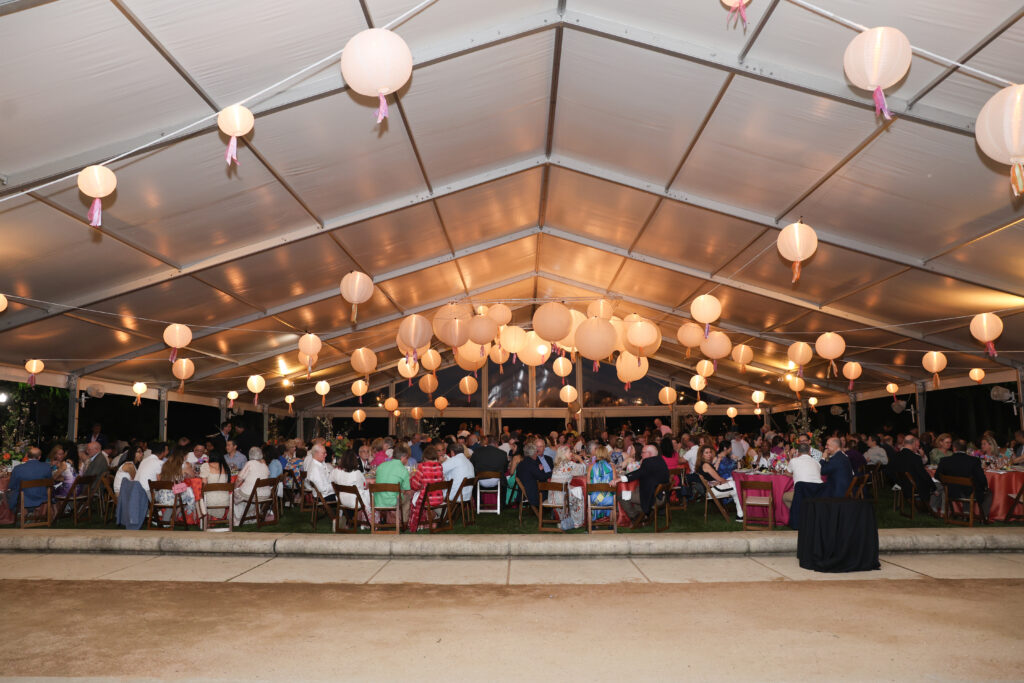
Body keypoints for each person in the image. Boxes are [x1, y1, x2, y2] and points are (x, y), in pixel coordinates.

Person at [935, 439, 992, 523]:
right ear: (965, 449)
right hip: (970, 492)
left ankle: (965, 513)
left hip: (951, 491)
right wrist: (985, 488)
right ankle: (983, 517)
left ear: (954, 448)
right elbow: (981, 479)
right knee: (988, 492)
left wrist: (947, 484)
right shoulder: (974, 461)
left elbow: (937, 476)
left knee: (968, 488)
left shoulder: (944, 460)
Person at [887, 435, 940, 515]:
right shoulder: (915, 458)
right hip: (914, 486)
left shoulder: (895, 456)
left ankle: (924, 507)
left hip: (902, 484)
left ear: (904, 443)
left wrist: (897, 482)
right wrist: (934, 488)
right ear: (914, 443)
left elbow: (889, 472)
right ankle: (932, 509)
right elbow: (923, 475)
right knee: (937, 486)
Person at [621, 444, 672, 525]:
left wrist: (621, 478)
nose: (641, 454)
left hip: (655, 498)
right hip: (663, 497)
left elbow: (638, 473)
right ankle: (643, 516)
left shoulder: (648, 462)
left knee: (622, 495)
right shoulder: (660, 461)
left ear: (649, 454)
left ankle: (635, 517)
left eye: (643, 452)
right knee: (636, 489)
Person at [154, 447, 197, 522]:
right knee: (190, 491)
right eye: (187, 454)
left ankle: (173, 517)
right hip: (173, 496)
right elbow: (193, 475)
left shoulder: (166, 464)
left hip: (161, 495)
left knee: (184, 489)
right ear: (183, 455)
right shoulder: (185, 465)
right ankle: (173, 517)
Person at [408, 445, 445, 532]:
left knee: (413, 496)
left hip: (426, 499)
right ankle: (431, 520)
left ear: (424, 456)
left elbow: (415, 486)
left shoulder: (422, 466)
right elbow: (441, 480)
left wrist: (412, 478)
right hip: (438, 497)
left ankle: (424, 523)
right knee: (421, 494)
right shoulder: (439, 466)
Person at [232, 447, 273, 524]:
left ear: (250, 455)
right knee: (244, 494)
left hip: (253, 495)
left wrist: (235, 487)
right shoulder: (264, 464)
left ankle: (238, 519)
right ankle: (250, 518)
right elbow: (268, 474)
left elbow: (239, 478)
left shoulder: (250, 463)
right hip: (266, 494)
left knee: (234, 494)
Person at [330, 450, 371, 523]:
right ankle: (370, 518)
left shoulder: (335, 471)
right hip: (355, 502)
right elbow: (363, 486)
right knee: (370, 492)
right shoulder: (356, 473)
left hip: (341, 500)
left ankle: (350, 518)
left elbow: (331, 482)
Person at [373, 446, 412, 524]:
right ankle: (403, 522)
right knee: (408, 495)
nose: (407, 460)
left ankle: (389, 518)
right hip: (393, 502)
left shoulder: (381, 466)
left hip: (378, 501)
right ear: (403, 457)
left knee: (393, 494)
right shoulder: (403, 470)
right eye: (406, 458)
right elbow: (406, 489)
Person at [6, 447, 50, 513]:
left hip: (24, 499)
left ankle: (20, 513)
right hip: (42, 498)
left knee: (6, 493)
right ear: (39, 457)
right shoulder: (47, 467)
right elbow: (49, 482)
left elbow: (12, 486)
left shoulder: (18, 469)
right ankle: (33, 512)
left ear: (26, 455)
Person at [514, 442, 552, 509]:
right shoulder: (532, 464)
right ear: (534, 453)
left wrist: (539, 470)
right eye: (536, 452)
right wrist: (552, 474)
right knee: (552, 491)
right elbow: (542, 477)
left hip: (523, 493)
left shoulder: (521, 463)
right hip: (533, 495)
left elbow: (533, 475)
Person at [198, 451, 231, 520]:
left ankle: (205, 520)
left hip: (210, 501)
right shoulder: (225, 466)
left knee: (197, 498)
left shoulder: (205, 466)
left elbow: (204, 483)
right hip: (225, 500)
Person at [588, 445, 616, 521]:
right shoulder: (612, 466)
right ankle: (611, 524)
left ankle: (593, 523)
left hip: (595, 500)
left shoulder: (591, 466)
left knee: (592, 496)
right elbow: (614, 483)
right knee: (612, 495)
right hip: (608, 499)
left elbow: (588, 483)